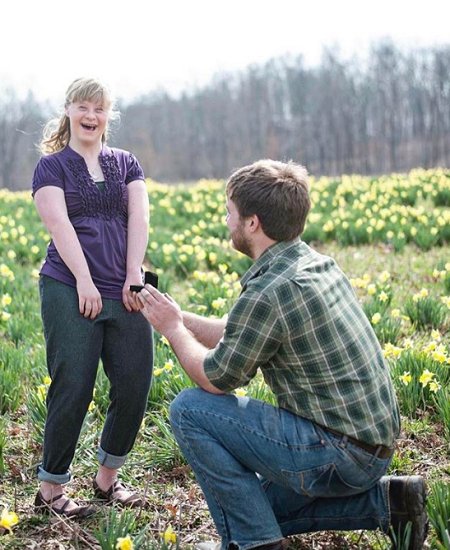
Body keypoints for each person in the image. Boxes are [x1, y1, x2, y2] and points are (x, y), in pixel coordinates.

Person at [138, 159, 428, 550]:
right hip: (370, 446)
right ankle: (391, 503)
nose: (227, 222)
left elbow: (214, 377)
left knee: (190, 408)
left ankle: (255, 545)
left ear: (252, 223)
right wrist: (176, 315)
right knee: (252, 506)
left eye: (230, 213)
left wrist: (171, 329)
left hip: (338, 453)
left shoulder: (269, 292)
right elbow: (242, 332)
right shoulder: (311, 263)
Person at [31, 77, 153, 517]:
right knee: (74, 384)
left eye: (99, 108)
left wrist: (134, 274)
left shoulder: (126, 162)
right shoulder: (53, 166)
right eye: (82, 106)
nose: (90, 116)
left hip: (125, 289)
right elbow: (58, 225)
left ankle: (107, 479)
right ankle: (51, 488)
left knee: (136, 382)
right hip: (69, 285)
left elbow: (139, 215)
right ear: (68, 111)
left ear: (108, 116)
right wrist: (83, 279)